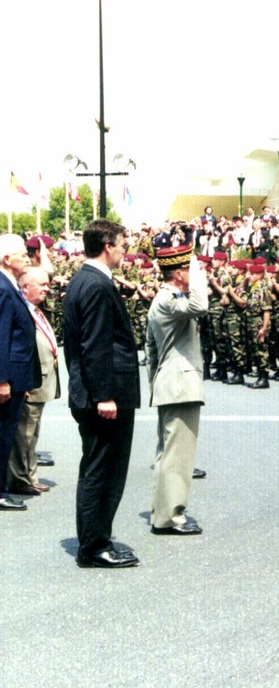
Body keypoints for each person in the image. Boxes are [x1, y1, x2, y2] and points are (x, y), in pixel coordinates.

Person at [64, 219, 141, 567]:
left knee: (97, 468)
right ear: (107, 246)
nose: (125, 251)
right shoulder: (96, 285)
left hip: (95, 393)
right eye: (122, 245)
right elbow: (95, 346)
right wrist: (104, 396)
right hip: (104, 397)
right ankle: (94, 546)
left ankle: (96, 538)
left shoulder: (86, 280)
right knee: (104, 471)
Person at [145, 245, 209, 536]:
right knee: (177, 456)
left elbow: (151, 349)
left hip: (170, 383)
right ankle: (170, 518)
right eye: (190, 271)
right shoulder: (169, 298)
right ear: (180, 273)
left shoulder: (162, 299)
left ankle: (163, 512)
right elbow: (200, 306)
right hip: (181, 384)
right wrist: (197, 276)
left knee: (167, 453)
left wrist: (157, 383)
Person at [7, 266, 58, 498]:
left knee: (32, 433)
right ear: (25, 286)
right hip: (30, 383)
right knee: (24, 435)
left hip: (42, 380)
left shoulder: (36, 310)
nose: (47, 289)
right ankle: (20, 478)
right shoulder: (22, 311)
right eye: (42, 285)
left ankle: (29, 475)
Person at [0, 236, 39, 512]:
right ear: (6, 260)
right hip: (7, 378)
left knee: (6, 434)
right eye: (22, 255)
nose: (27, 258)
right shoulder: (3, 288)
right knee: (2, 435)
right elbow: (1, 337)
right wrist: (2, 379)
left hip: (15, 376)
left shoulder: (8, 285)